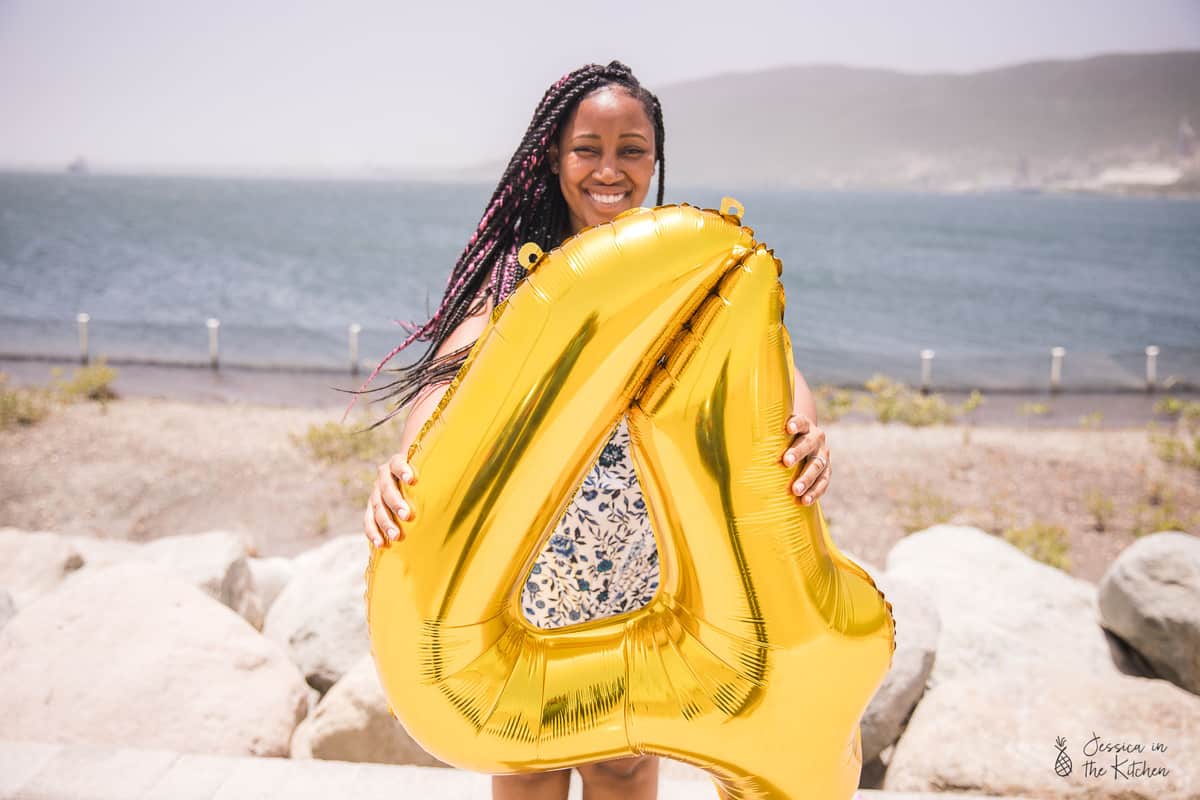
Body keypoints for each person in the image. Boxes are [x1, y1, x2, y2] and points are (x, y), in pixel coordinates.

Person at [353, 60, 833, 800]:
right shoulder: (518, 280)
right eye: (588, 148)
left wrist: (806, 427)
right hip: (529, 569)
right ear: (553, 158)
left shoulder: (690, 268)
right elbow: (447, 388)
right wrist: (401, 465)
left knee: (624, 763)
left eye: (631, 149)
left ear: (655, 159)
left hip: (648, 565)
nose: (609, 168)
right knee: (525, 760)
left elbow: (769, 357)